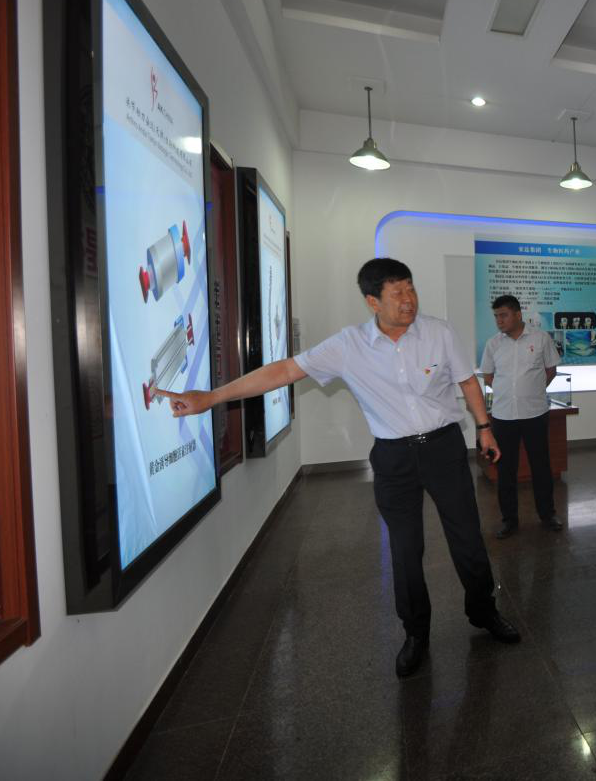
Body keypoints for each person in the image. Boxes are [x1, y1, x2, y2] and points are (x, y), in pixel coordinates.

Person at [155, 258, 521, 680]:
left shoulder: (439, 332)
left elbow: (467, 381)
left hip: (444, 448)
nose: (409, 299)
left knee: (468, 538)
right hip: (394, 458)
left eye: (411, 288)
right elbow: (285, 370)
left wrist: (484, 428)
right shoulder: (348, 346)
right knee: (405, 550)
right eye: (397, 293)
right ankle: (415, 632)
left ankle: (484, 611)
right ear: (372, 301)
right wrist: (212, 397)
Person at [480, 294, 563, 538]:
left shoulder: (541, 338)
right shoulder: (493, 344)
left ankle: (547, 515)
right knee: (506, 470)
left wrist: (532, 391)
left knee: (541, 466)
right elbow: (488, 376)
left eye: (503, 315)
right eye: (496, 316)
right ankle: (509, 520)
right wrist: (509, 392)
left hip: (534, 413)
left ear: (518, 314)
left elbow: (551, 370)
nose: (499, 320)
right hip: (503, 416)